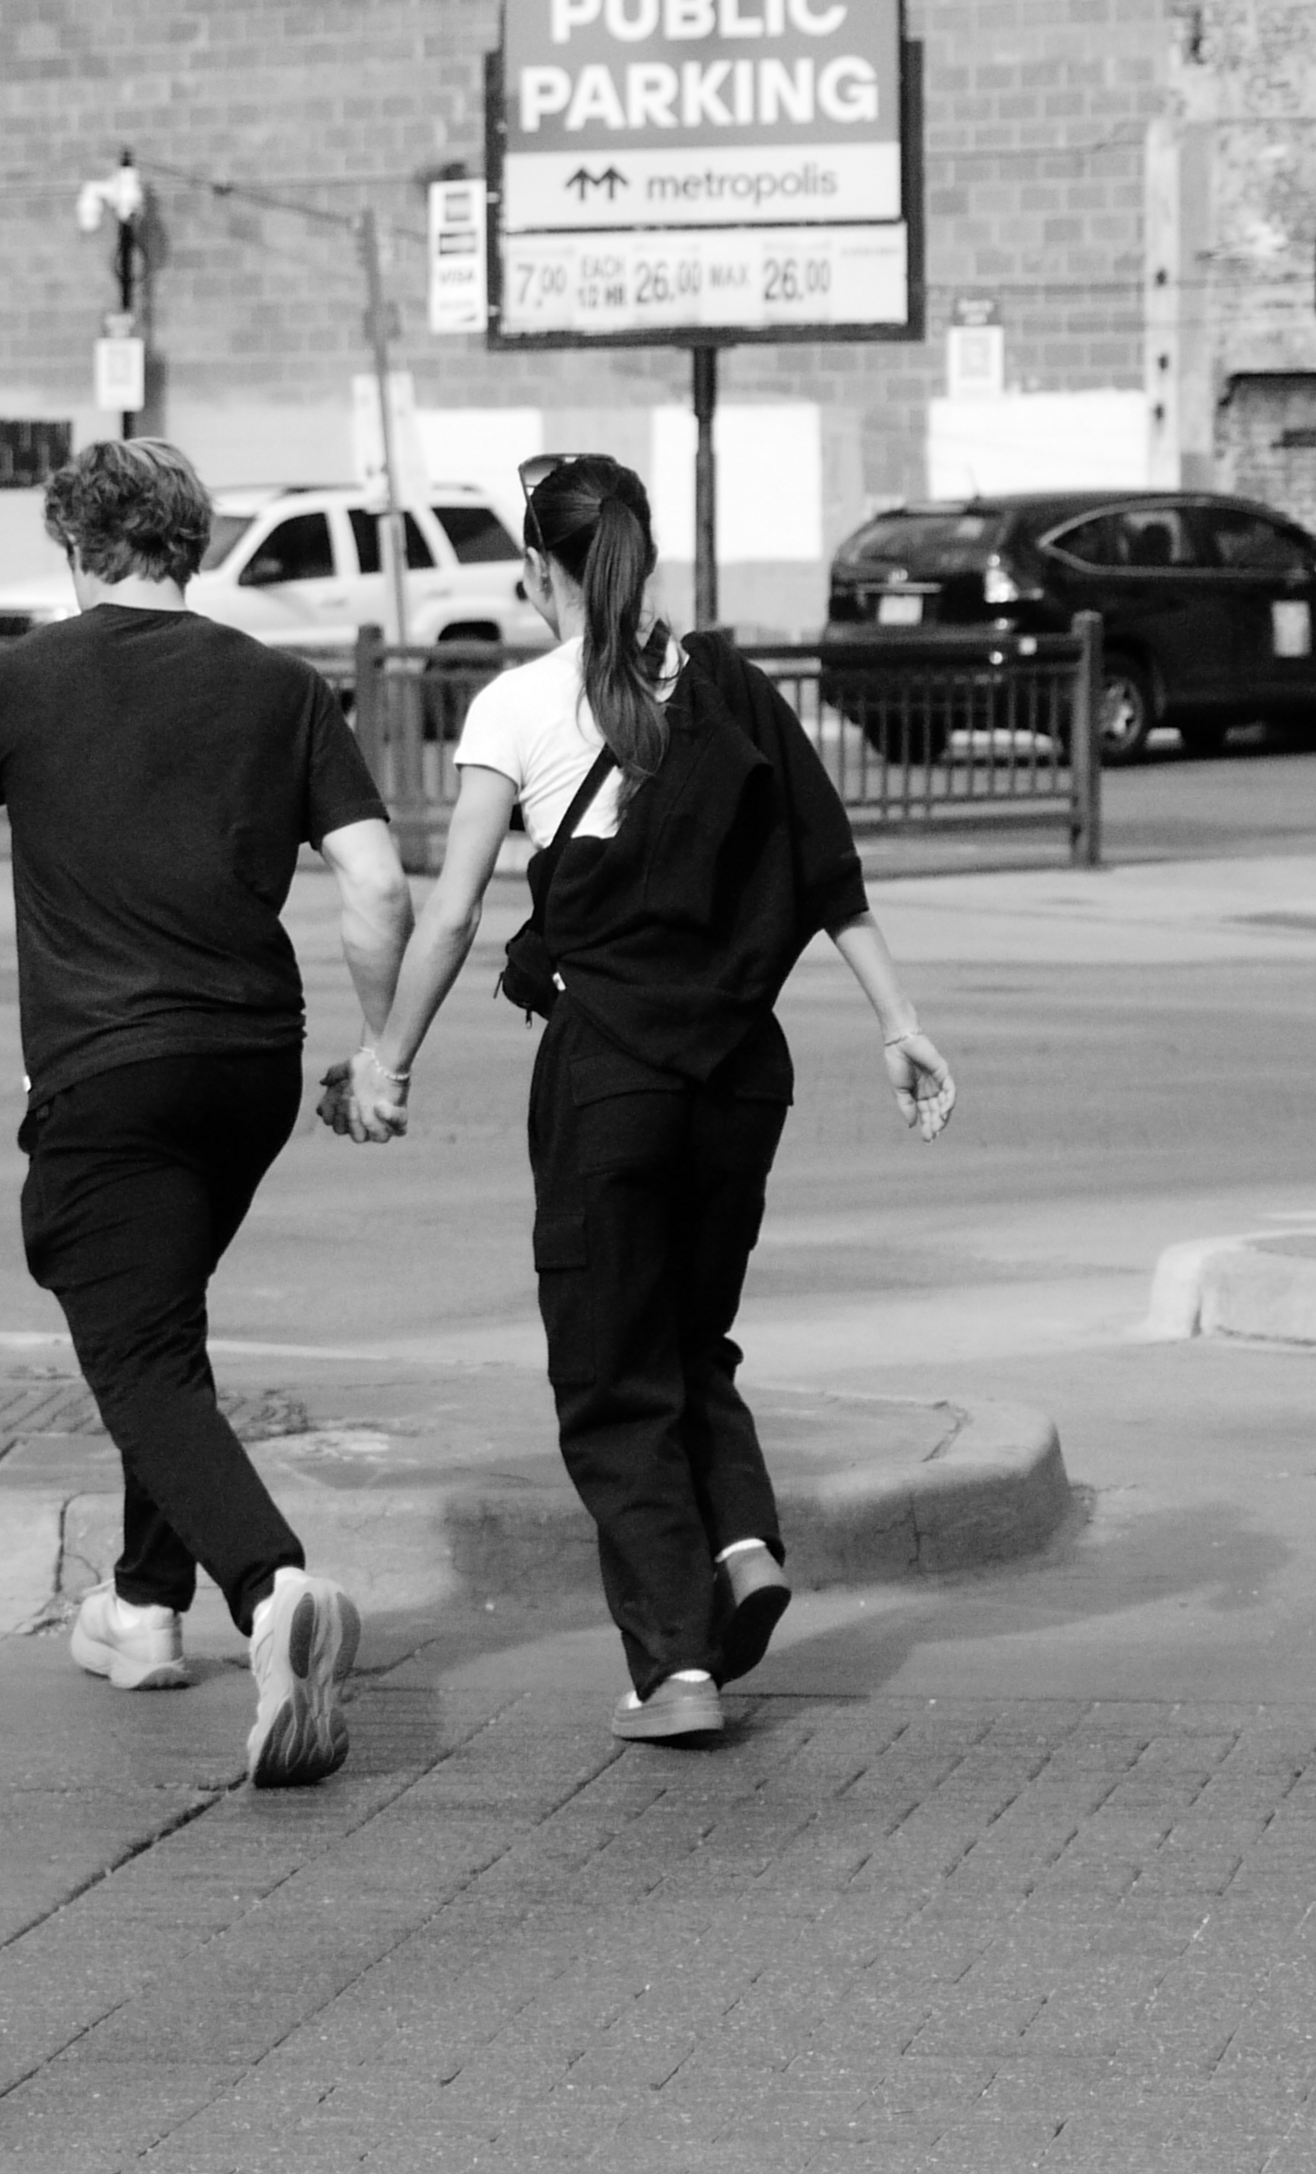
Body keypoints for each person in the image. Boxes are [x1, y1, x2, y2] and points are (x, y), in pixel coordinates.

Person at [325, 453, 955, 1745]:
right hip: (738, 1079)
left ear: (539, 571)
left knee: (610, 1375)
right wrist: (900, 1022)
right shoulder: (730, 689)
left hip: (610, 1078)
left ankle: (675, 1665)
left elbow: (449, 918)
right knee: (687, 1340)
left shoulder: (514, 710)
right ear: (645, 557)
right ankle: (738, 1540)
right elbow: (829, 870)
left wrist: (389, 1053)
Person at [0, 437, 412, 1788]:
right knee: (157, 1319)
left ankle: (273, 1590)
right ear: (190, 540)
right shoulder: (283, 688)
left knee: (121, 1325)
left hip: (109, 1067)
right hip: (253, 1068)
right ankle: (138, 1606)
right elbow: (378, 890)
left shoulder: (14, 686)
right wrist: (374, 1044)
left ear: (77, 547)